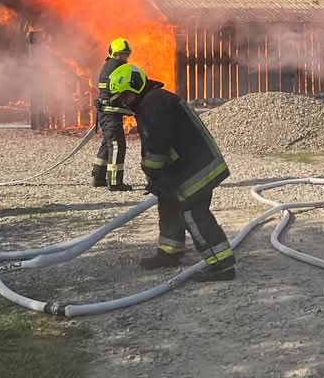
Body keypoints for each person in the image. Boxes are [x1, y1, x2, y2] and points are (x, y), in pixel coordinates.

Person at [107, 63, 236, 282]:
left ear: (136, 86)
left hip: (195, 167)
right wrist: (159, 180)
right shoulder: (152, 101)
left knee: (193, 213)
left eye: (125, 97)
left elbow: (157, 146)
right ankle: (169, 252)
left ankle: (222, 265)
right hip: (185, 165)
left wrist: (151, 171)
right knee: (169, 204)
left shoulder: (153, 103)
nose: (125, 103)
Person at [91, 37, 135, 191]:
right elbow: (119, 89)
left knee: (108, 143)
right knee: (117, 145)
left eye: (125, 55)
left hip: (107, 112)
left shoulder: (111, 65)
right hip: (110, 113)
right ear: (112, 53)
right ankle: (115, 182)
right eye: (120, 54)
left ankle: (98, 178)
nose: (123, 58)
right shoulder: (116, 68)